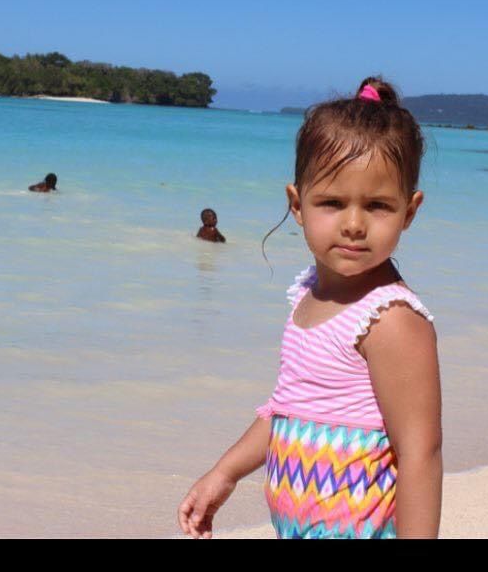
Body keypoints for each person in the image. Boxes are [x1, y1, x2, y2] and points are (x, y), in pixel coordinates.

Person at [178, 76, 442, 540]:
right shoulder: (308, 297)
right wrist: (225, 473)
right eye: (333, 203)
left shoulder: (390, 320)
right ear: (297, 204)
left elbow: (421, 452)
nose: (354, 224)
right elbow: (288, 409)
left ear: (410, 211)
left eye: (378, 205)